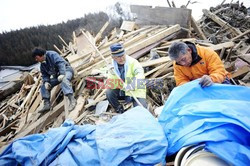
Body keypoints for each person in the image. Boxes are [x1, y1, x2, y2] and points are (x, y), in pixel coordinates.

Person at [32, 48, 77, 113]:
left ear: (41, 55)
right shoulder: (42, 64)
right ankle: (47, 104)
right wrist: (46, 81)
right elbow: (45, 75)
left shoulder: (52, 54)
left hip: (66, 71)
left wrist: (62, 73)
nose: (36, 60)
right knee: (43, 86)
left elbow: (60, 63)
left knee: (64, 80)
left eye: (36, 58)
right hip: (57, 76)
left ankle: (72, 100)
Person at [106, 43, 147, 113]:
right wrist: (111, 73)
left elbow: (140, 74)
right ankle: (119, 109)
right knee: (109, 92)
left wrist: (132, 85)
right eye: (118, 57)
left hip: (136, 89)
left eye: (122, 55)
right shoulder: (112, 65)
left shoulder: (133, 62)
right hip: (123, 88)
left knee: (141, 110)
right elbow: (111, 82)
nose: (121, 58)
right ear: (113, 58)